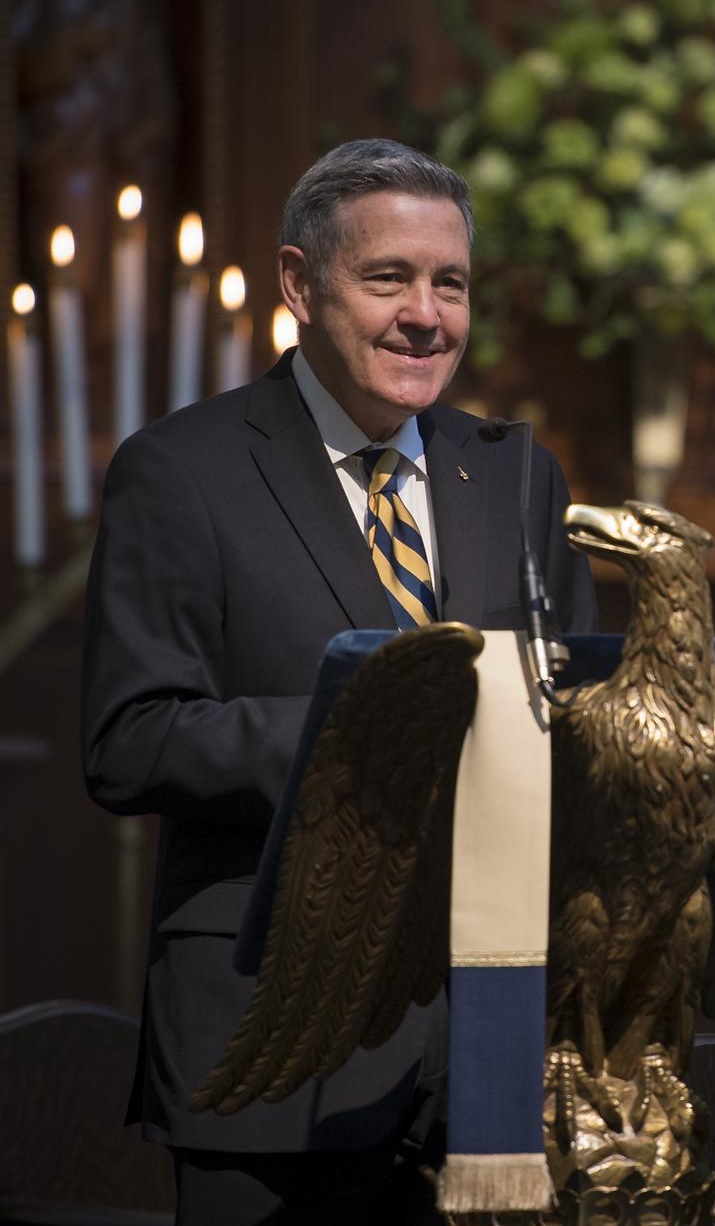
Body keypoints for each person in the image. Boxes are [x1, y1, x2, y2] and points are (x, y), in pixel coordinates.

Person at [81, 139, 598, 1224]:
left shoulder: (512, 473)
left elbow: (567, 719)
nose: (426, 314)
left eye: (448, 282)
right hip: (272, 1049)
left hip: (490, 1048)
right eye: (388, 277)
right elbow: (131, 738)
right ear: (299, 284)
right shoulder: (181, 471)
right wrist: (368, 731)